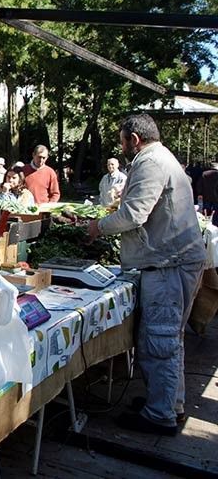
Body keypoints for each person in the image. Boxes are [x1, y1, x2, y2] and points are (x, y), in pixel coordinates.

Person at [88, 113, 205, 436]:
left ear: (134, 140)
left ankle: (160, 414)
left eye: (122, 140)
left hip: (169, 264)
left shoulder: (149, 162)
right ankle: (170, 403)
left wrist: (99, 227)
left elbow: (135, 214)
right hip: (173, 261)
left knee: (160, 339)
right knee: (169, 339)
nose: (121, 146)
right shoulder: (162, 157)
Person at [196, 157, 218, 224]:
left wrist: (199, 193)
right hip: (216, 196)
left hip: (206, 195)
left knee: (206, 209)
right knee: (216, 211)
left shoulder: (204, 174)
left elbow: (199, 184)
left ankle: (205, 222)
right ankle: (215, 223)